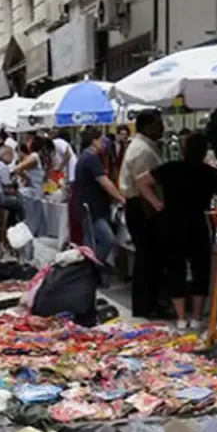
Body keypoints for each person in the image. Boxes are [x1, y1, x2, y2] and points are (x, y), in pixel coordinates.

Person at [153, 132, 217, 329]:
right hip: (198, 221)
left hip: (172, 221)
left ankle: (181, 317)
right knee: (201, 268)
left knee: (176, 268)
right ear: (204, 152)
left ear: (183, 150)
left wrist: (156, 203)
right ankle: (197, 316)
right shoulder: (210, 172)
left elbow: (141, 181)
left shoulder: (170, 168)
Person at [118, 111, 165, 314]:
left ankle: (149, 302)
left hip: (141, 206)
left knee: (149, 259)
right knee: (147, 259)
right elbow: (143, 185)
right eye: (158, 123)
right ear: (147, 126)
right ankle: (146, 305)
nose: (162, 127)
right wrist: (154, 212)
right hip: (142, 208)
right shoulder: (143, 150)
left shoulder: (143, 146)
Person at [77, 127, 126, 265]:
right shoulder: (91, 159)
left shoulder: (84, 157)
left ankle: (90, 270)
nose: (104, 144)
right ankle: (91, 268)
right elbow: (105, 182)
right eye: (101, 140)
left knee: (90, 241)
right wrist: (121, 198)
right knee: (106, 240)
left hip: (88, 207)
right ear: (94, 141)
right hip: (92, 209)